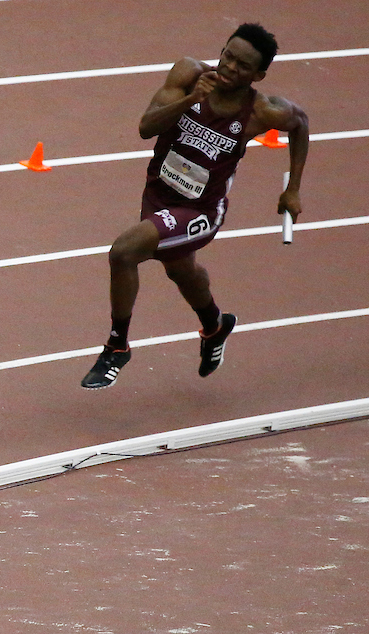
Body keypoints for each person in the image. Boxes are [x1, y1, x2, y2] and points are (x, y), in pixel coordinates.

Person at [81, 22, 309, 389]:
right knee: (180, 270)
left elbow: (300, 124)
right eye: (227, 56)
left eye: (242, 66)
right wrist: (190, 101)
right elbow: (145, 127)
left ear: (259, 75)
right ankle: (215, 326)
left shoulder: (261, 112)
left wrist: (293, 189)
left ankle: (117, 346)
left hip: (201, 210)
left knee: (124, 252)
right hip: (159, 193)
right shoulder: (188, 75)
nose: (229, 68)